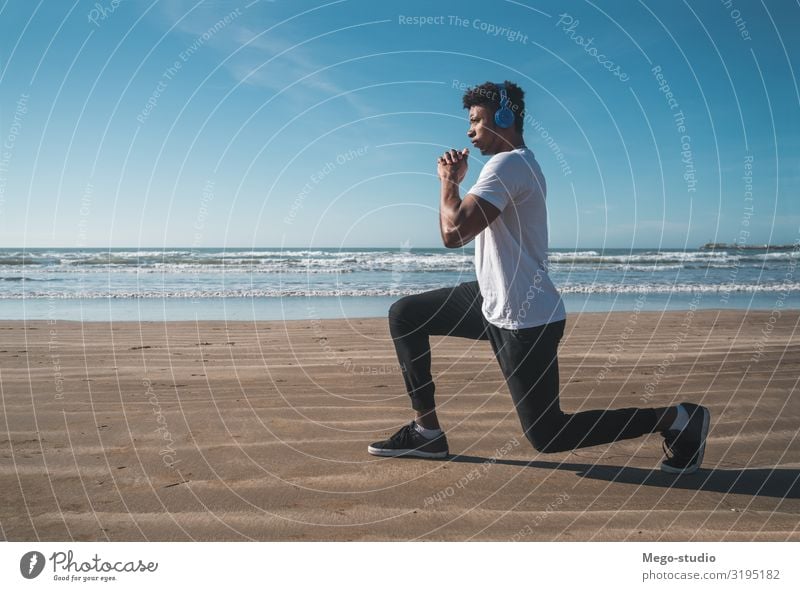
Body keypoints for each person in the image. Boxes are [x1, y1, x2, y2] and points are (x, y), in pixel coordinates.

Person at [368, 81, 710, 475]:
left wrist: (448, 182)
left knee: (548, 436)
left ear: (504, 117)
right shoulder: (516, 165)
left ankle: (677, 419)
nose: (469, 130)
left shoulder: (508, 165)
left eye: (476, 120)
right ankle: (427, 433)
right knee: (406, 313)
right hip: (489, 301)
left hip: (524, 318)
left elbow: (454, 233)